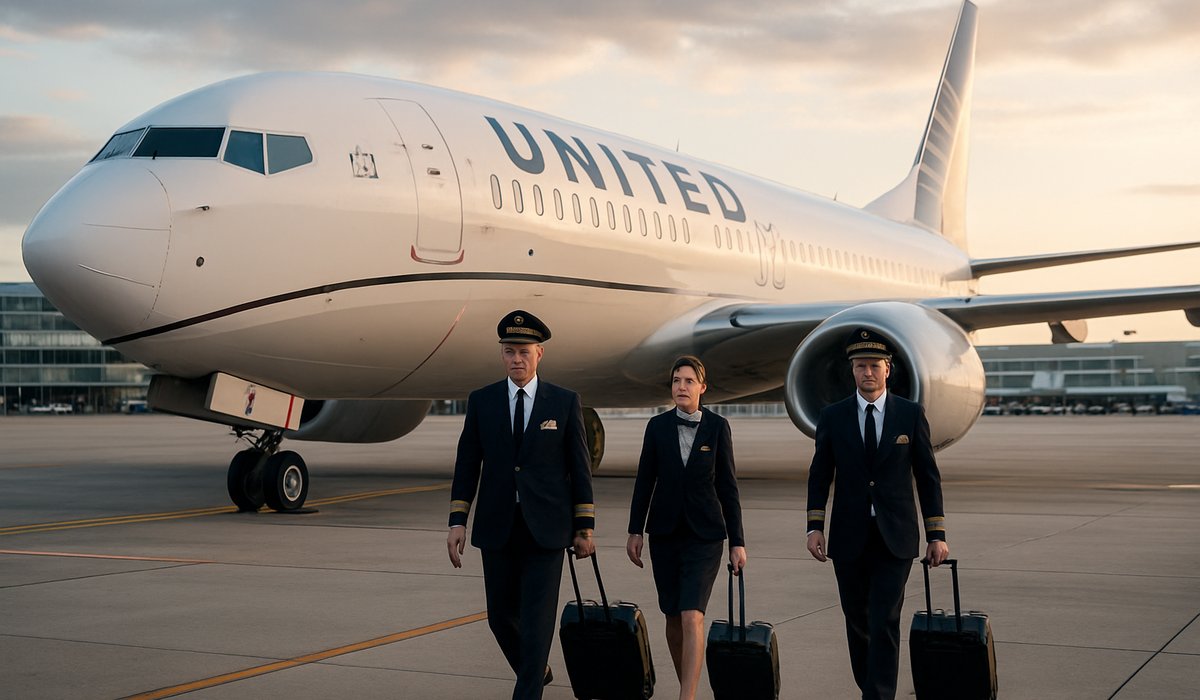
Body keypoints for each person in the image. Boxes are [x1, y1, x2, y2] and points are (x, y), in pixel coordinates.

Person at [446, 310, 595, 700]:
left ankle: (527, 689)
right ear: (501, 355)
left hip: (546, 530)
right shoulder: (482, 401)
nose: (516, 359)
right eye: (509, 351)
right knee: (500, 618)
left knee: (538, 623)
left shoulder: (563, 402)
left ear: (539, 354)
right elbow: (467, 463)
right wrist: (457, 520)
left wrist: (585, 527)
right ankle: (536, 669)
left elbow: (580, 469)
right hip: (497, 526)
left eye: (524, 351)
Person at [805, 328, 949, 700]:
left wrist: (937, 534)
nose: (867, 372)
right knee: (857, 623)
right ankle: (872, 687)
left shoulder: (910, 414)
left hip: (895, 537)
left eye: (874, 365)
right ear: (851, 371)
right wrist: (814, 526)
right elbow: (820, 474)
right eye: (860, 366)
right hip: (850, 537)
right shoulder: (833, 416)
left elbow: (927, 477)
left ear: (888, 369)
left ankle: (877, 695)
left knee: (884, 619)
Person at [626, 355, 746, 700]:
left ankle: (686, 697)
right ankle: (686, 685)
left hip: (706, 534)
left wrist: (738, 541)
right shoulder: (657, 426)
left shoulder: (718, 427)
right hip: (663, 533)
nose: (682, 386)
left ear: (702, 388)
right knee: (673, 617)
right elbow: (644, 480)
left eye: (689, 381)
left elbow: (728, 486)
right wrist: (635, 530)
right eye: (677, 380)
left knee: (693, 613)